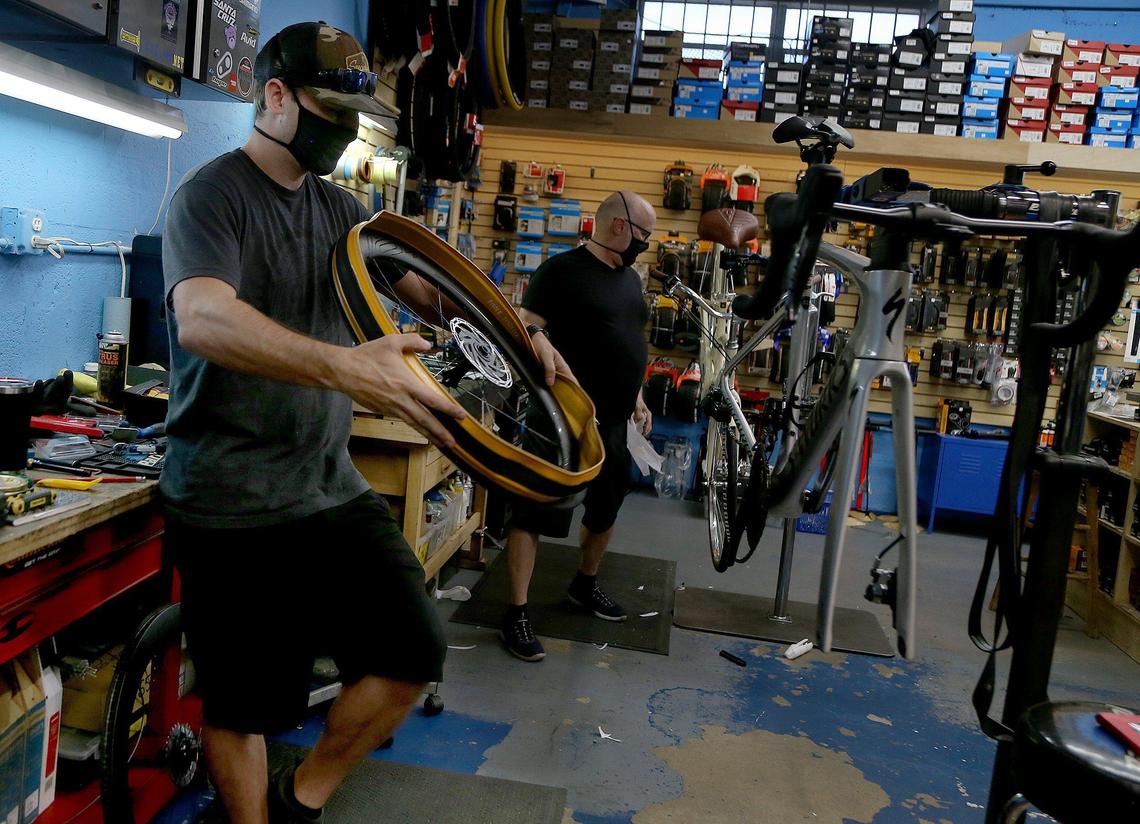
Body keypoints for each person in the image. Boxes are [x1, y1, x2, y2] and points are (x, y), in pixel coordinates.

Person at [161, 23, 567, 824]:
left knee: (413, 649)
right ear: (275, 96)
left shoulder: (341, 209)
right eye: (330, 110)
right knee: (246, 704)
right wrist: (345, 366)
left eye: (355, 114)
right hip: (231, 496)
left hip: (326, 487)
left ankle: (298, 800)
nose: (344, 129)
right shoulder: (211, 197)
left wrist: (520, 333)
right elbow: (203, 319)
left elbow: (435, 296)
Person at [501, 190, 656, 662]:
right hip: (560, 416)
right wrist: (535, 334)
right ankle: (516, 612)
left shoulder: (629, 279)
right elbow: (526, 325)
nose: (645, 244)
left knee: (607, 505)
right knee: (535, 509)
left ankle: (584, 585)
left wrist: (637, 396)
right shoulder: (560, 271)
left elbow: (626, 340)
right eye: (643, 234)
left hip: (614, 420)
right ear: (619, 226)